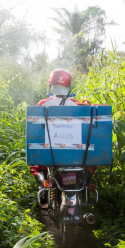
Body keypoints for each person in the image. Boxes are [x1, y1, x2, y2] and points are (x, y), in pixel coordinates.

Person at [30, 69, 95, 205]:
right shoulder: (79, 105)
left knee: (38, 166)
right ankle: (86, 185)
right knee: (90, 164)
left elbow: (36, 131)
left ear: (51, 85)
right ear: (68, 86)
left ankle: (42, 188)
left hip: (51, 154)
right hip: (76, 155)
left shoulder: (43, 104)